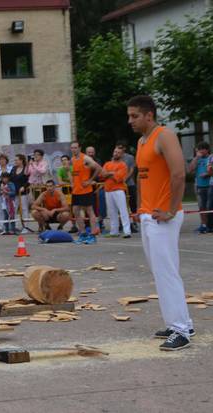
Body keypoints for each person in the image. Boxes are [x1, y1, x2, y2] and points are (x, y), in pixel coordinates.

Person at [128, 95, 193, 351]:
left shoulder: (164, 135)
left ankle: (181, 330)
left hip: (162, 217)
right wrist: (139, 208)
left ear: (149, 115)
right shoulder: (142, 141)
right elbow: (144, 179)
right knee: (161, 271)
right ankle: (180, 321)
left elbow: (179, 173)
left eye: (134, 115)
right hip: (148, 215)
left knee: (166, 272)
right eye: (129, 115)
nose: (130, 120)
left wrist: (170, 209)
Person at [70, 141, 102, 244]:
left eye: (75, 148)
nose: (73, 150)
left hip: (85, 190)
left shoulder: (86, 158)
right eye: (72, 148)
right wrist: (72, 182)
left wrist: (90, 180)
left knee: (90, 211)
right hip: (76, 190)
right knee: (75, 211)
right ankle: (83, 233)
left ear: (80, 148)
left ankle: (93, 235)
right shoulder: (73, 159)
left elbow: (98, 168)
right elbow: (73, 173)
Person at [100, 146, 131, 238]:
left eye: (118, 152)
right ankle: (114, 231)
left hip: (119, 190)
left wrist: (109, 173)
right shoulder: (107, 164)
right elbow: (102, 175)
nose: (115, 153)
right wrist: (112, 173)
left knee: (123, 211)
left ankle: (127, 231)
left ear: (121, 155)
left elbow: (119, 178)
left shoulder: (123, 165)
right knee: (112, 212)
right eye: (115, 152)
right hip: (108, 190)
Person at [187, 141, 210, 233]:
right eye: (199, 149)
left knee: (210, 206)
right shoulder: (197, 159)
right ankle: (203, 225)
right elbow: (190, 170)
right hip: (200, 186)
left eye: (202, 149)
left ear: (207, 149)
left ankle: (210, 225)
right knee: (201, 207)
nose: (200, 151)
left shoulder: (210, 158)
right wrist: (196, 158)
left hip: (210, 185)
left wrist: (207, 174)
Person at [117, 142, 138, 232]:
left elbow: (132, 169)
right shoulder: (115, 158)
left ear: (124, 148)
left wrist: (125, 179)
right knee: (122, 205)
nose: (119, 149)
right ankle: (122, 223)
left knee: (132, 204)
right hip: (119, 185)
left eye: (121, 147)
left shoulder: (130, 157)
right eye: (117, 147)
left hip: (129, 184)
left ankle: (134, 221)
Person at [10, 154, 31, 234]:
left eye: (16, 160)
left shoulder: (26, 168)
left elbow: (29, 180)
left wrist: (24, 187)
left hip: (23, 192)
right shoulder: (14, 168)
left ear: (21, 160)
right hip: (14, 192)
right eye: (15, 160)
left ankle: (26, 227)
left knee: (25, 209)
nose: (15, 161)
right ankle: (15, 226)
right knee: (14, 209)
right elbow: (10, 178)